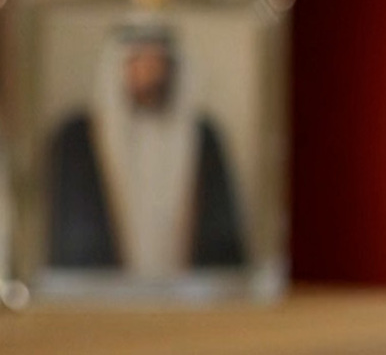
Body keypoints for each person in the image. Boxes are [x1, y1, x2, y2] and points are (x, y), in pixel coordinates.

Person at [46, 21, 247, 275]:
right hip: (98, 300)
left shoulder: (204, 137)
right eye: (138, 61)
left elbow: (221, 238)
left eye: (157, 62)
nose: (149, 72)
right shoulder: (76, 137)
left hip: (188, 299)